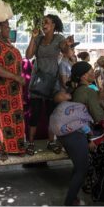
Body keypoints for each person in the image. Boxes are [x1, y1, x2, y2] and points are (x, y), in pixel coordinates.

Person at [53, 61, 104, 206]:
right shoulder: (88, 91)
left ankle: (73, 198)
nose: (94, 73)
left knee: (79, 167)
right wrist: (101, 99)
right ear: (84, 75)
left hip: (64, 133)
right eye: (91, 71)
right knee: (81, 169)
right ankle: (69, 203)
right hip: (76, 135)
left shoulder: (73, 90)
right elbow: (98, 117)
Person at [25, 14, 74, 156]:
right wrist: (33, 38)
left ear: (53, 25)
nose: (43, 24)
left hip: (53, 81)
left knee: (51, 114)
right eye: (42, 22)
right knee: (35, 113)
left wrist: (68, 45)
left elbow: (68, 53)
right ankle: (31, 142)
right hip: (38, 81)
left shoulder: (59, 38)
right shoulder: (38, 38)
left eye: (46, 22)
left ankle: (51, 141)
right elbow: (28, 55)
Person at [0, 17, 26, 161]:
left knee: (13, 119)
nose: (9, 28)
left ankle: (15, 147)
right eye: (6, 26)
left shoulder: (6, 43)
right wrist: (15, 77)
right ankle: (0, 148)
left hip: (12, 92)